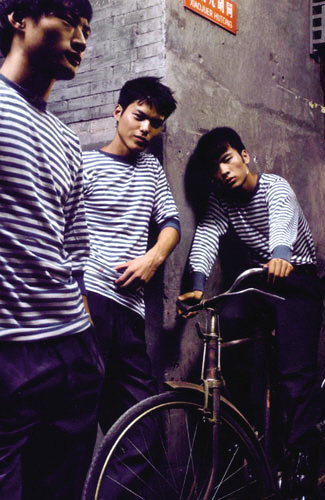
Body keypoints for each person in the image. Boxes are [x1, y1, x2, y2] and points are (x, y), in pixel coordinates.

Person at [178, 127, 324, 500]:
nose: (223, 171)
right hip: (260, 281)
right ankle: (243, 430)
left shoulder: (275, 187)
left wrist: (280, 254)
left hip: (296, 278)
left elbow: (282, 220)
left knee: (295, 376)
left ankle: (304, 457)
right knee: (225, 327)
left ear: (244, 155)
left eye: (227, 160)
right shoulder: (221, 200)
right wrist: (197, 284)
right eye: (215, 168)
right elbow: (207, 234)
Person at [0, 1, 104, 499]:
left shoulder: (67, 140)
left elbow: (75, 248)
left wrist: (86, 348)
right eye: (68, 22)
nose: (81, 39)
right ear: (19, 19)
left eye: (86, 29)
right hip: (10, 353)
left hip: (73, 351)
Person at [83, 76, 180, 433]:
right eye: (139, 117)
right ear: (118, 112)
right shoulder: (84, 164)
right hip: (89, 301)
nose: (145, 129)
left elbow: (171, 223)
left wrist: (153, 258)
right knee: (76, 420)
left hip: (130, 312)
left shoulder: (151, 169)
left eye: (156, 123)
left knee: (142, 429)